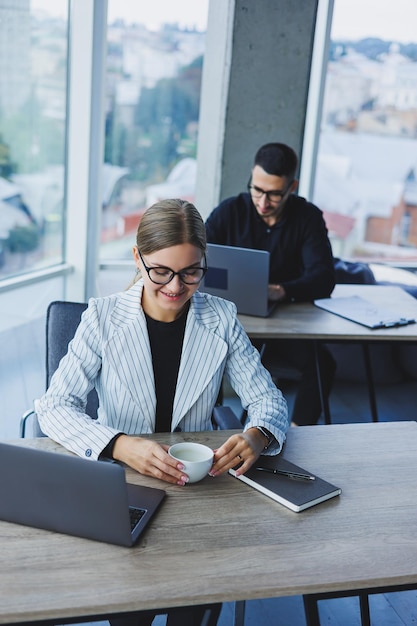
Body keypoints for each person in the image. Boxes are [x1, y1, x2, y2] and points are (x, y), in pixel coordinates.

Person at [36, 198, 288, 626]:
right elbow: (53, 407)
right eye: (161, 272)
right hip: (123, 488)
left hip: (199, 493)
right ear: (138, 258)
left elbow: (269, 399)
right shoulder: (101, 318)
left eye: (191, 272)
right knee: (130, 611)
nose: (176, 286)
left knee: (192, 610)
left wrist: (258, 434)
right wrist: (117, 444)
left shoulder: (222, 318)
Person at [205, 142, 336, 426]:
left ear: (292, 186)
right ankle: (210, 432)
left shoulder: (308, 217)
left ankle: (300, 432)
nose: (263, 202)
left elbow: (324, 278)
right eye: (257, 189)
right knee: (204, 358)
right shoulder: (230, 211)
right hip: (230, 323)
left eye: (275, 194)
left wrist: (281, 290)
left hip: (280, 331)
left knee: (323, 363)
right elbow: (197, 258)